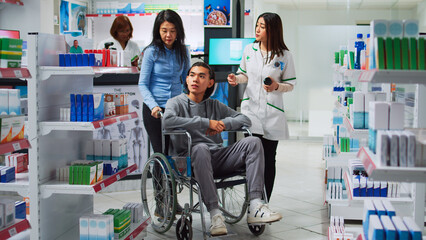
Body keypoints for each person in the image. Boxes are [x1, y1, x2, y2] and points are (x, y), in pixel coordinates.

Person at [164, 62, 282, 236]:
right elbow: (167, 121)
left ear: (210, 83)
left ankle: (256, 205)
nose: (195, 79)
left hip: (217, 157)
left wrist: (223, 124)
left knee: (254, 142)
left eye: (201, 76)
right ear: (187, 79)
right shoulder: (175, 102)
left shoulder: (214, 105)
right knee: (201, 148)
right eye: (192, 75)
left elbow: (245, 120)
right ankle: (215, 214)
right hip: (189, 160)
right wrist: (205, 123)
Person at [227, 12, 296, 201]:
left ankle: (264, 202)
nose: (257, 29)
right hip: (251, 112)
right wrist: (235, 79)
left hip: (273, 114)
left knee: (268, 160)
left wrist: (276, 86)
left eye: (262, 26)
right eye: (257, 25)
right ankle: (253, 201)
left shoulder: (285, 55)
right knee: (253, 159)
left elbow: (290, 85)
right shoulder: (249, 50)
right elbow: (244, 75)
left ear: (272, 30)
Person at [138, 9, 190, 216]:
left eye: (172, 31)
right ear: (158, 31)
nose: (168, 35)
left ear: (178, 32)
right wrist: (153, 106)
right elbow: (143, 84)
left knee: (174, 155)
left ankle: (172, 199)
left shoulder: (183, 51)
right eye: (164, 30)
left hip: (175, 110)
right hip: (154, 111)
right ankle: (161, 203)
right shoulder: (150, 52)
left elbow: (186, 79)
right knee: (160, 154)